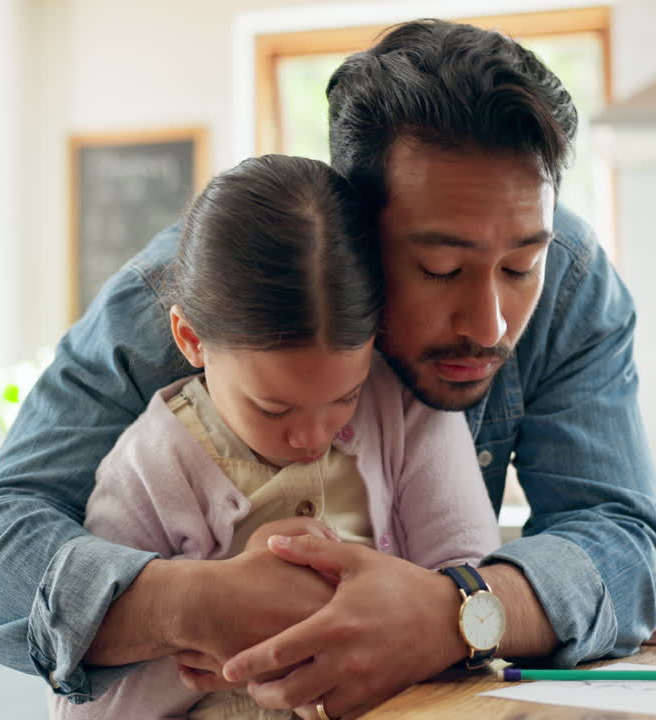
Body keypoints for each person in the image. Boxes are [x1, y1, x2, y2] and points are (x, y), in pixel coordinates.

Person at [0, 18, 656, 720]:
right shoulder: (200, 297)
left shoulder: (572, 282)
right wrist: (197, 606)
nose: (489, 324)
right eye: (440, 268)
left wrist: (459, 613)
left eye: (519, 265)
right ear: (356, 236)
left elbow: (625, 539)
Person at [50, 153, 499, 719]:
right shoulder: (150, 467)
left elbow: (475, 599)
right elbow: (84, 707)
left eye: (346, 396)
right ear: (191, 338)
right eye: (274, 407)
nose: (314, 436)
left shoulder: (409, 410)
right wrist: (216, 630)